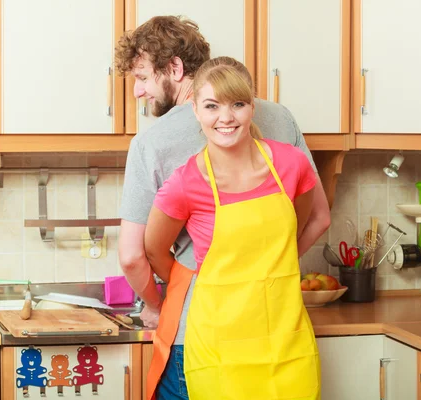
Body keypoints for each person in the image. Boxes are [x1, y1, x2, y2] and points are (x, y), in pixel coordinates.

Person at [115, 16, 330, 400]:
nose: (137, 91)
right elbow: (318, 218)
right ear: (200, 112)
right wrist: (274, 267)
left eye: (143, 76)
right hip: (276, 325)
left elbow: (134, 255)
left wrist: (157, 303)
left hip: (198, 330)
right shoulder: (281, 115)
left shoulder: (152, 142)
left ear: (175, 69)